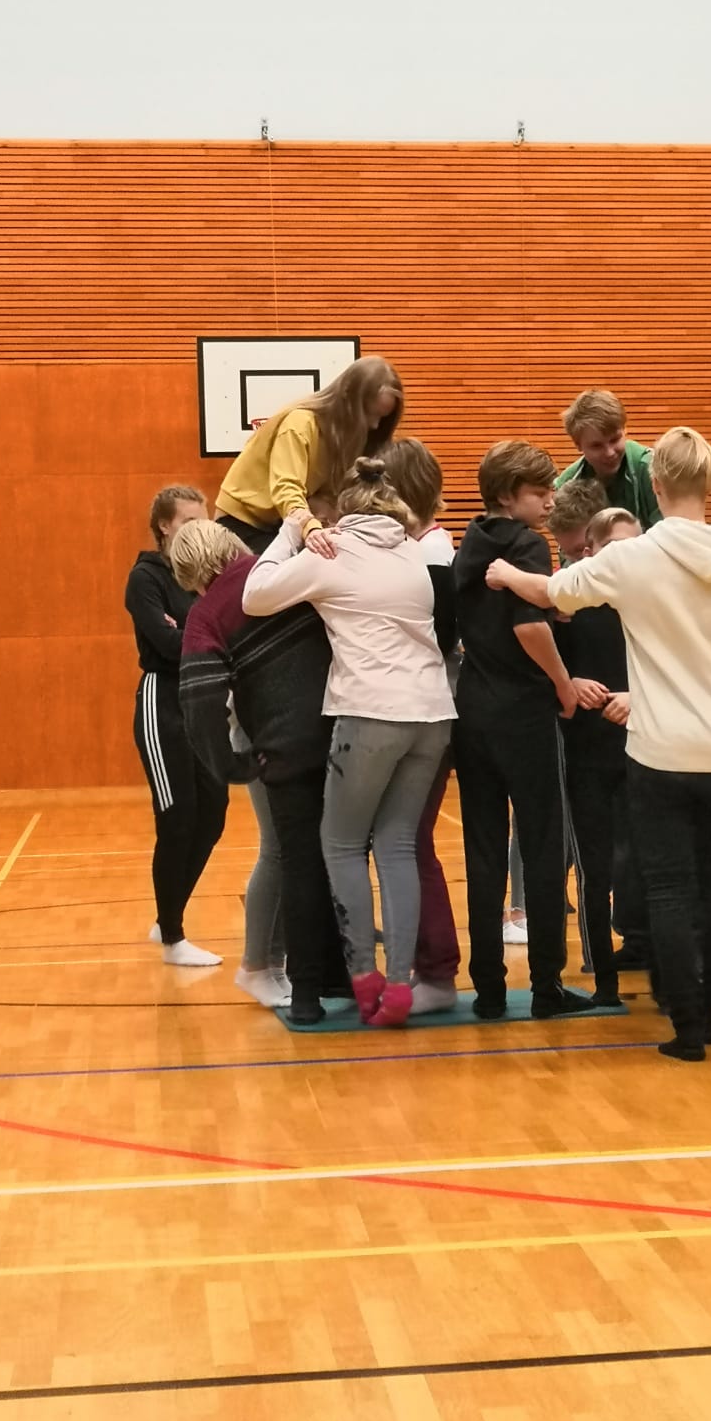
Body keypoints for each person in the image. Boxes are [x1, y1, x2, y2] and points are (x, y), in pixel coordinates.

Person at [488, 428, 711, 1061]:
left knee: (668, 888)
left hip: (660, 751)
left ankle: (687, 1029)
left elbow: (554, 593)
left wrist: (505, 572)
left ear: (657, 485)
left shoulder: (636, 556)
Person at [243, 459, 456, 1029]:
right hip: (433, 714)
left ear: (342, 509)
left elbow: (254, 596)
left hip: (369, 713)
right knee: (397, 846)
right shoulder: (413, 552)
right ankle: (402, 984)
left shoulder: (332, 550)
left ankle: (364, 978)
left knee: (339, 844)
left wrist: (292, 529)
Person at [170, 519, 350, 1024]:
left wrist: (234, 766)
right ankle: (282, 967)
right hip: (339, 731)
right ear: (229, 544)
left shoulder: (205, 615)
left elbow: (199, 705)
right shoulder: (281, 572)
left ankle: (280, 971)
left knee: (289, 855)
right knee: (319, 855)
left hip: (274, 746)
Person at [454, 441, 594, 1022]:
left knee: (483, 849)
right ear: (510, 495)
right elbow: (528, 628)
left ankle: (487, 987)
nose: (551, 500)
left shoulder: (469, 542)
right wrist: (563, 684)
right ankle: (545, 985)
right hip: (523, 711)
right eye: (541, 492)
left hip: (472, 709)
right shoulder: (527, 544)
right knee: (541, 844)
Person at [124, 485, 228, 968]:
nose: (198, 528)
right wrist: (200, 633)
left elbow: (225, 632)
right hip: (162, 699)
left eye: (203, 520)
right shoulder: (145, 577)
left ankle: (169, 912)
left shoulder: (206, 574)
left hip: (202, 701)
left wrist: (189, 630)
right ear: (165, 526)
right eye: (188, 520)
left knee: (214, 812)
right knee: (178, 814)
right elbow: (167, 646)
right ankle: (173, 937)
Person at [377, 436, 461, 1014]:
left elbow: (436, 639)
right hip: (415, 710)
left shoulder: (430, 557)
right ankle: (419, 963)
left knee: (407, 840)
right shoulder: (419, 552)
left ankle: (435, 970)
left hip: (426, 713)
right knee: (400, 840)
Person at [552, 504, 644, 1009]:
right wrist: (570, 682)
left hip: (645, 750)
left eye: (633, 547)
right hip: (587, 751)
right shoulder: (570, 604)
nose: (625, 558)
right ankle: (602, 977)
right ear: (589, 552)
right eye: (613, 548)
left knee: (648, 860)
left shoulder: (651, 604)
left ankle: (657, 958)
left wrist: (639, 697)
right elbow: (546, 666)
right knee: (594, 868)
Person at [214, 355, 403, 554]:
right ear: (347, 398)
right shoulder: (300, 424)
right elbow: (287, 487)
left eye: (381, 418)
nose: (374, 425)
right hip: (242, 523)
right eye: (369, 413)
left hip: (279, 523)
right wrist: (310, 527)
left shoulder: (346, 438)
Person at [555, 389, 661, 530]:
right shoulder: (566, 484)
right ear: (578, 445)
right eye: (597, 446)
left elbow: (668, 534)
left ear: (625, 429)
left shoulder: (652, 470)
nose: (609, 453)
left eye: (614, 440)